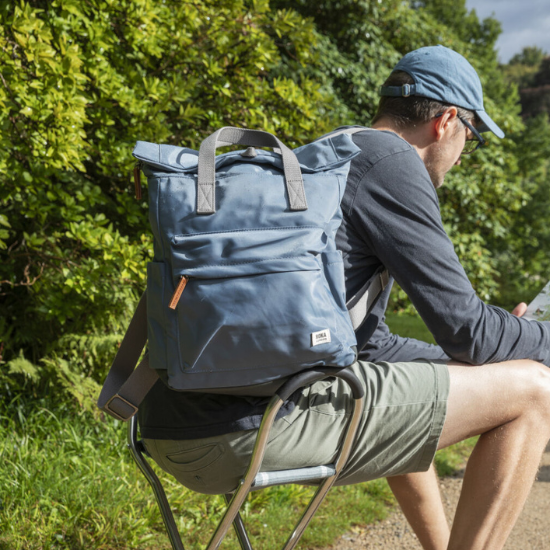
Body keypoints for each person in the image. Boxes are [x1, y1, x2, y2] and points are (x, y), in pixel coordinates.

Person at [138, 46, 550, 549]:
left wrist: (493, 354)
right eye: (473, 135)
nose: (466, 152)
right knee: (535, 390)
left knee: (418, 382)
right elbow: (468, 329)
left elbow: (368, 347)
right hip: (248, 431)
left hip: (168, 426)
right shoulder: (394, 165)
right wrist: (536, 342)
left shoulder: (333, 155)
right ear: (446, 121)